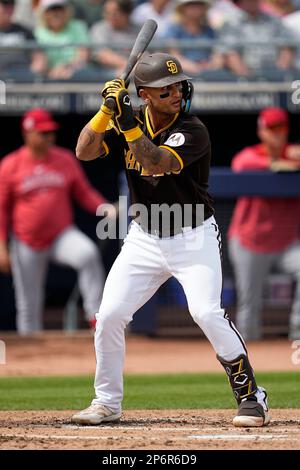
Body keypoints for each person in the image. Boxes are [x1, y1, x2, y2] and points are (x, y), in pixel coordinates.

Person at [71, 52, 270, 427]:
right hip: (144, 237)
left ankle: (252, 397)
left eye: (177, 85)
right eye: (165, 90)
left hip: (193, 237)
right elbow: (84, 150)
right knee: (109, 315)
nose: (175, 93)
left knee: (206, 313)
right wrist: (105, 112)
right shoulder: (131, 119)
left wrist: (125, 119)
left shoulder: (193, 129)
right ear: (144, 94)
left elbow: (154, 162)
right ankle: (107, 402)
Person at [0, 108, 110, 335]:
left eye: (50, 132)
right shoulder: (11, 164)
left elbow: (84, 192)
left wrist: (103, 207)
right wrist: (1, 247)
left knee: (87, 254)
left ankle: (94, 317)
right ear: (27, 133)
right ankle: (32, 356)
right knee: (28, 302)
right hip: (26, 241)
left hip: (61, 235)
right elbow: (1, 210)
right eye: (42, 133)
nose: (48, 137)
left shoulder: (64, 159)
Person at [228, 107, 300, 341]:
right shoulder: (251, 156)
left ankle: (297, 336)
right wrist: (277, 164)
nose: (277, 134)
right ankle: (249, 355)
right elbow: (239, 164)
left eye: (281, 128)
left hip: (286, 243)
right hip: (250, 241)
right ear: (262, 131)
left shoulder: (294, 154)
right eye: (272, 129)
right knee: (250, 303)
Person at [219, 0, 294, 80]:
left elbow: (287, 47)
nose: (253, 2)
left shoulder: (273, 20)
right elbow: (230, 53)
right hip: (246, 77)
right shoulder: (231, 23)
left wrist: (279, 73)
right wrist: (247, 79)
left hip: (273, 74)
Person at [163, 0, 224, 77]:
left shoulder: (210, 31)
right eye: (191, 5)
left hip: (209, 75)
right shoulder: (173, 30)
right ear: (183, 9)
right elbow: (174, 55)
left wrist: (210, 66)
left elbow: (218, 55)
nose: (196, 9)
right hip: (182, 75)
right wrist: (195, 68)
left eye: (199, 5)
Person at [34, 0, 90, 80]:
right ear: (44, 13)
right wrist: (51, 72)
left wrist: (66, 67)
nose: (56, 14)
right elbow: (39, 61)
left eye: (60, 9)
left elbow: (83, 56)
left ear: (67, 11)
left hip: (77, 75)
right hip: (48, 77)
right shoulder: (38, 32)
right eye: (51, 10)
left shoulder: (78, 27)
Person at [89, 0, 138, 80]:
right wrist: (130, 68)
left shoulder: (138, 29)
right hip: (105, 73)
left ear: (126, 13)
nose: (110, 16)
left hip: (135, 72)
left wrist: (136, 68)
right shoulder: (99, 28)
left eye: (115, 13)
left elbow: (145, 54)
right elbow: (103, 55)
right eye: (107, 12)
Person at [0, 0, 47, 82]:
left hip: (22, 82)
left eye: (12, 4)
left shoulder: (25, 31)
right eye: (5, 4)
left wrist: (29, 76)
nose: (9, 8)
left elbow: (39, 58)